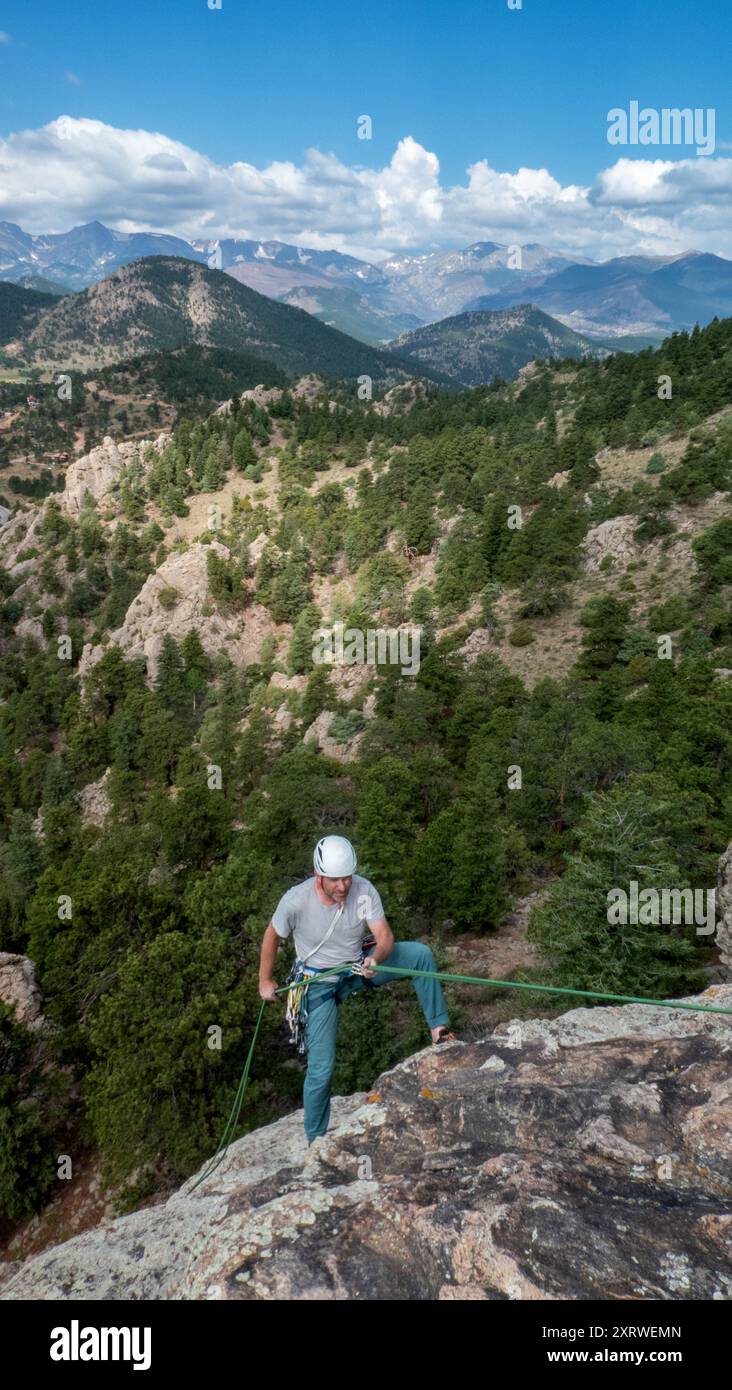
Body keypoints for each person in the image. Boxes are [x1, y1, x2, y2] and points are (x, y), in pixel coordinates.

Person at [258, 834, 456, 1145]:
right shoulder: (295, 901)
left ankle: (439, 1030)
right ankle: (315, 1141)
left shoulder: (363, 890)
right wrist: (264, 980)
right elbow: (272, 934)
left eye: (347, 878)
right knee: (321, 1070)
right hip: (318, 983)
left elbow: (384, 935)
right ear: (318, 875)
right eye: (335, 880)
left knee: (420, 956)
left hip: (356, 967)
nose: (343, 886)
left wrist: (376, 959)